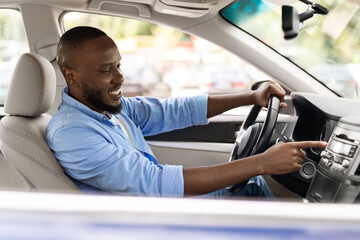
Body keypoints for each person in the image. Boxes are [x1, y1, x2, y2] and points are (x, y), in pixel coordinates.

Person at [46, 26, 327, 199]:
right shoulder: (72, 133)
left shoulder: (109, 109)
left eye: (118, 65)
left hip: (157, 205)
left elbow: (174, 110)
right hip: (146, 221)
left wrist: (251, 96)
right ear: (71, 76)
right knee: (251, 183)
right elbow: (156, 184)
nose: (119, 77)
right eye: (106, 70)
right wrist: (261, 163)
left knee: (249, 183)